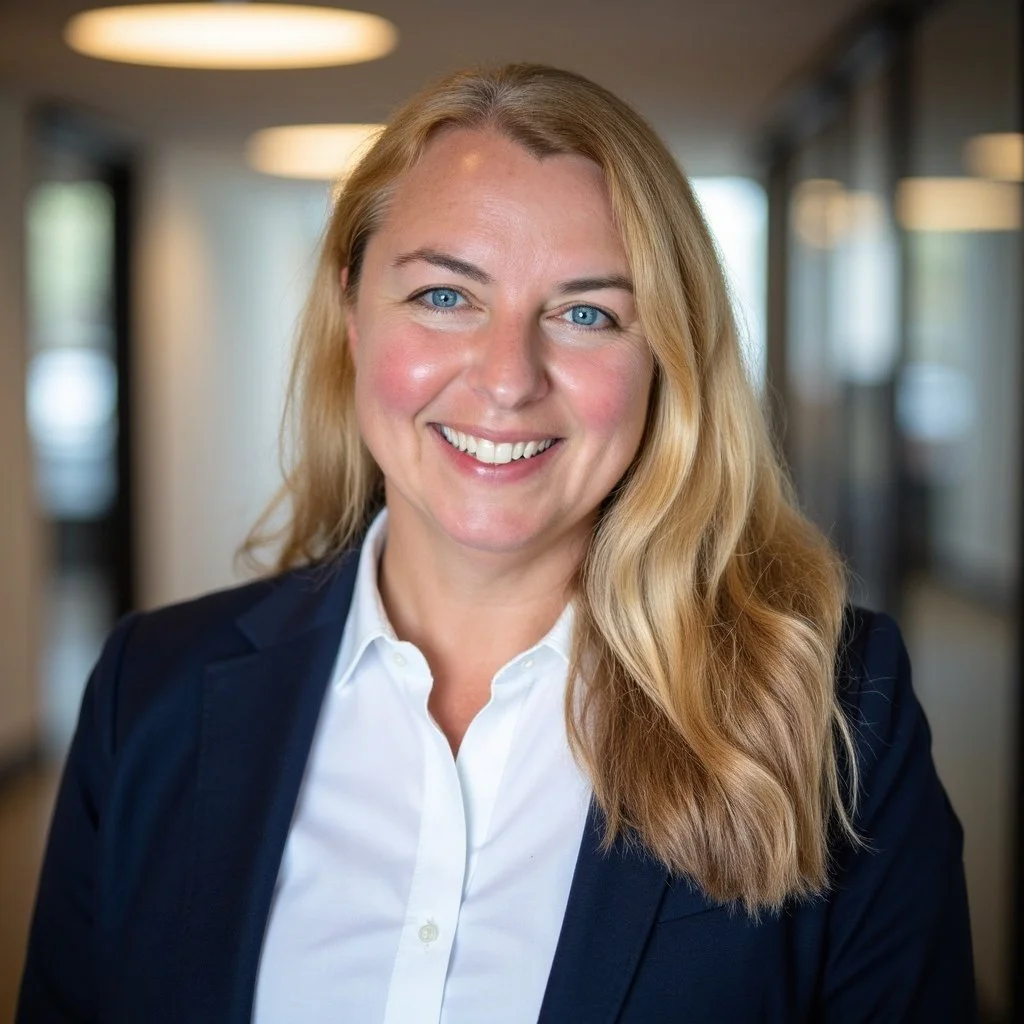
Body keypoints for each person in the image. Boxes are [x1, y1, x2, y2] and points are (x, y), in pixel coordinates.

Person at [18, 63, 975, 1023]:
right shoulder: (150, 692)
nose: (509, 378)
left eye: (587, 313)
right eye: (446, 295)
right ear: (353, 311)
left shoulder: (838, 714)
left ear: (667, 362)